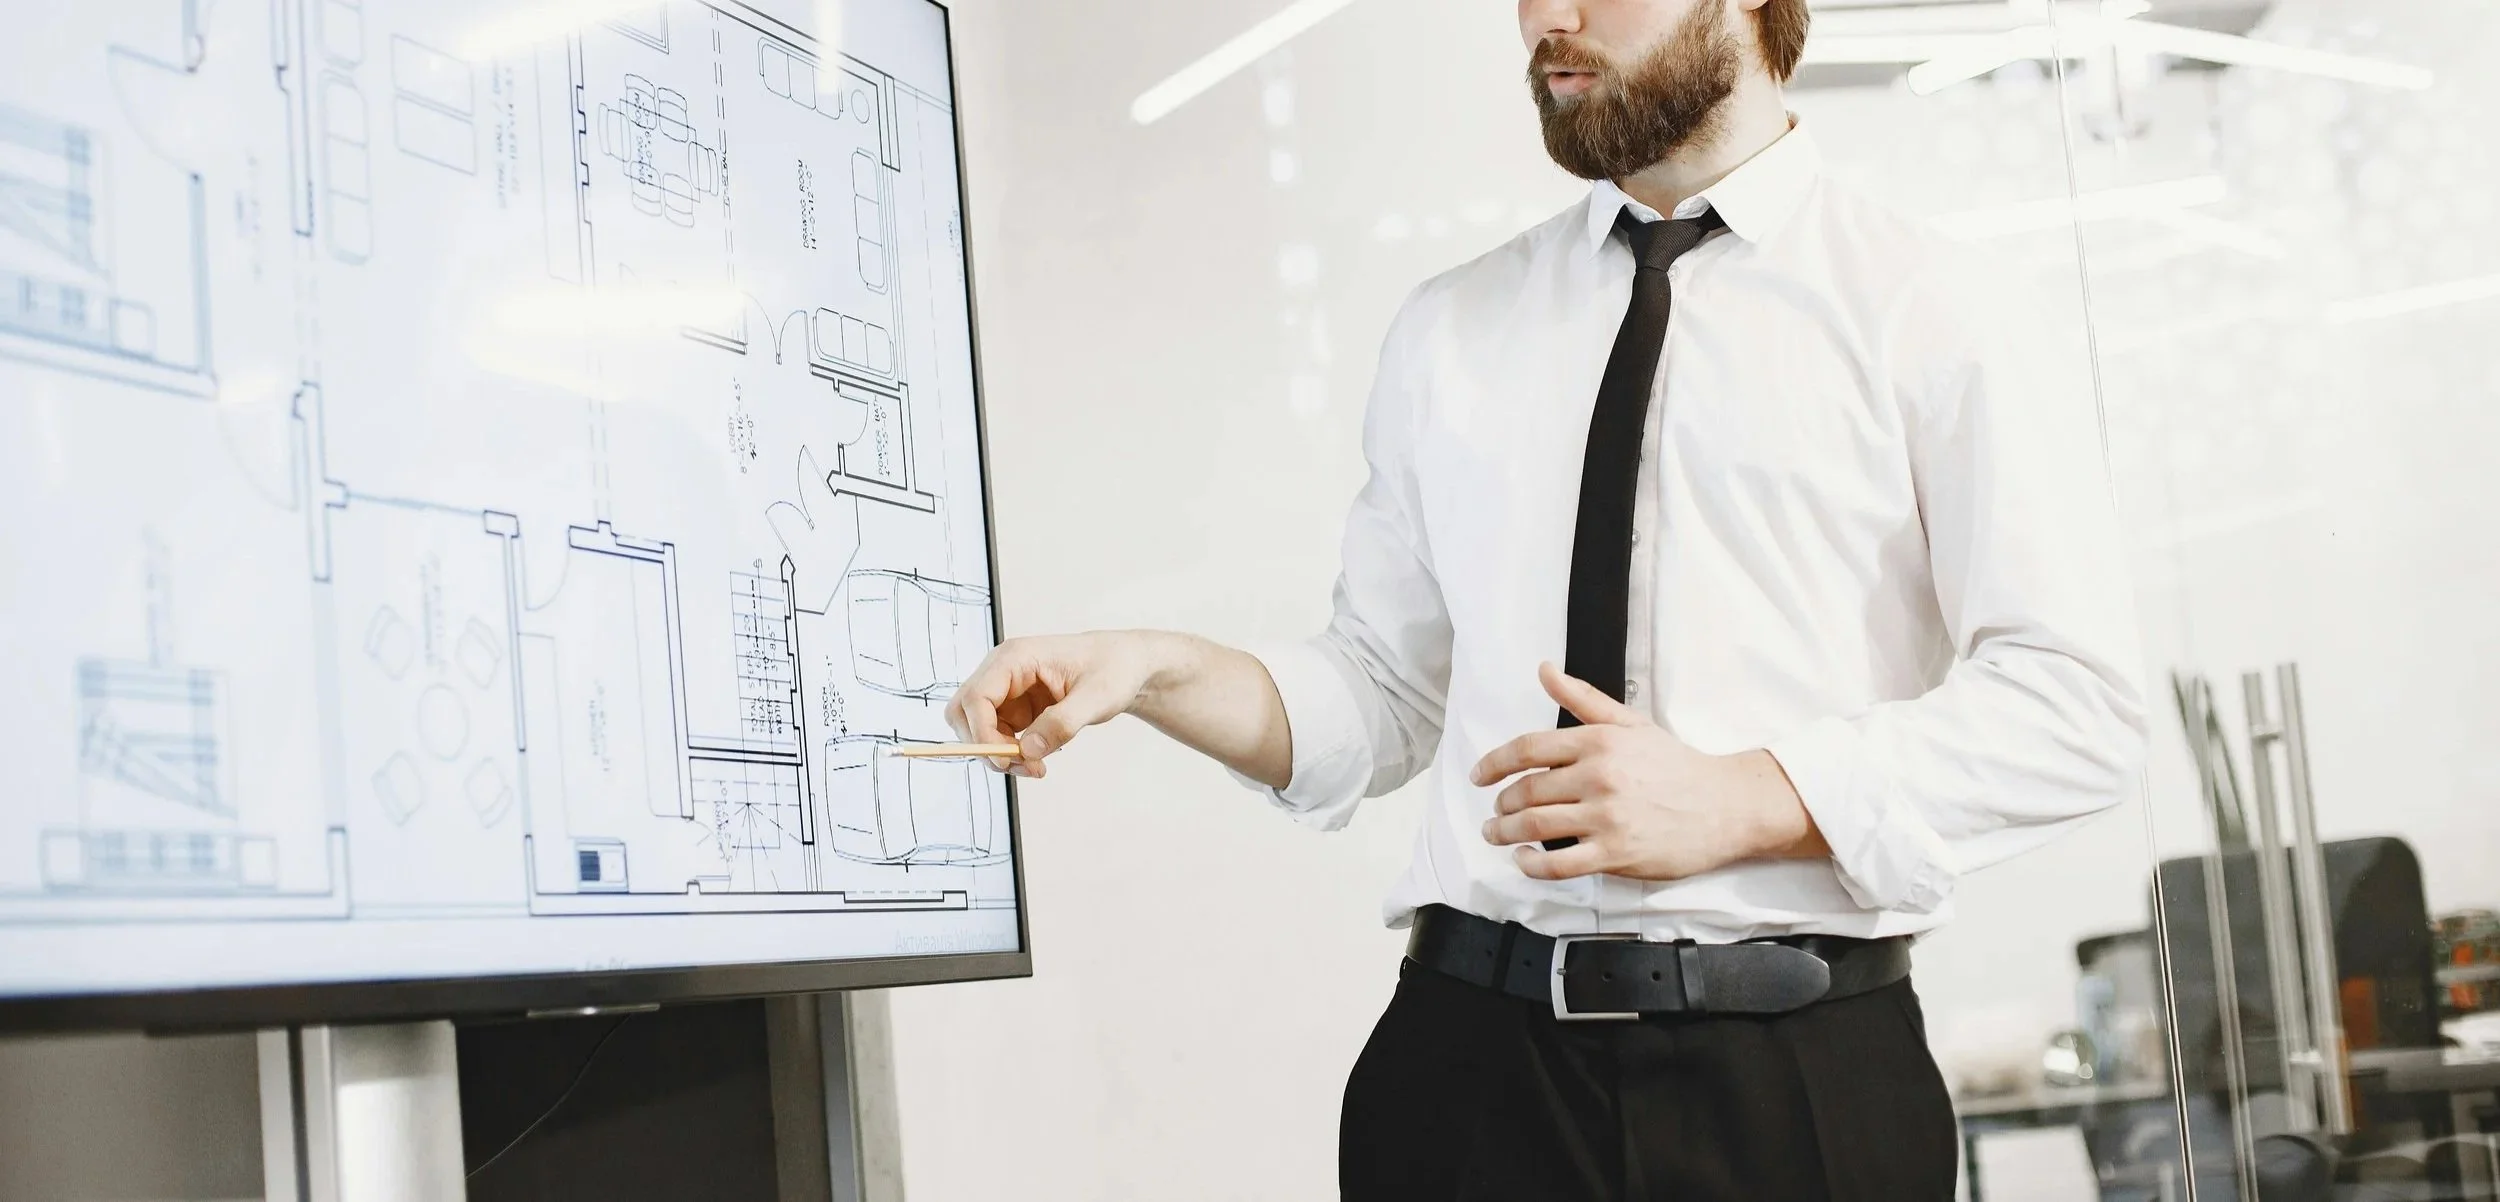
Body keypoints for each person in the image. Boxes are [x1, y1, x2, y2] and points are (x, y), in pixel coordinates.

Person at [945, 0, 2149, 1197]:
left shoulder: (1936, 307)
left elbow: (2076, 706)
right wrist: (1153, 670)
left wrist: (1751, 796)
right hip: (1466, 1075)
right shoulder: (1453, 326)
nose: (1547, 19)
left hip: (1795, 1088)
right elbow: (1380, 695)